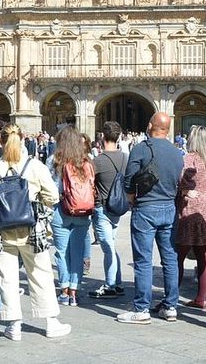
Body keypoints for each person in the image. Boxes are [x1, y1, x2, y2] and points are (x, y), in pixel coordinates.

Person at [0, 123, 71, 341]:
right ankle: (50, 323)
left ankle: (13, 325)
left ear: (1, 141)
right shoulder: (34, 165)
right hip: (32, 229)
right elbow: (53, 196)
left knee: (6, 278)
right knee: (41, 274)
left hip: (3, 230)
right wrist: (39, 204)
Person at [116, 112, 183, 325]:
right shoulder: (177, 152)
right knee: (170, 259)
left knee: (144, 260)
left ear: (149, 125)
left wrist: (131, 198)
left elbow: (128, 181)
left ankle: (141, 308)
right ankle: (171, 306)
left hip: (146, 208)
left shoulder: (141, 148)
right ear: (168, 129)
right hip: (169, 208)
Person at [175, 125, 206, 310]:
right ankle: (201, 298)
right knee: (205, 255)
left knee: (178, 255)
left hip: (190, 209)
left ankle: (172, 295)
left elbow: (178, 182)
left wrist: (185, 191)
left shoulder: (187, 159)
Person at [49, 125, 93, 308]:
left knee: (61, 252)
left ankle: (64, 290)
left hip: (61, 209)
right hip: (83, 210)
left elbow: (51, 188)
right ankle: (74, 292)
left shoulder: (55, 160)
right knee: (77, 253)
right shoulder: (87, 160)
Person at [88, 120, 126, 300]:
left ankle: (110, 285)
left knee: (108, 247)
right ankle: (117, 283)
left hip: (102, 208)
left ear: (102, 137)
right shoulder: (126, 158)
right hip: (118, 208)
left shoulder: (98, 161)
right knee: (111, 244)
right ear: (119, 137)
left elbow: (88, 182)